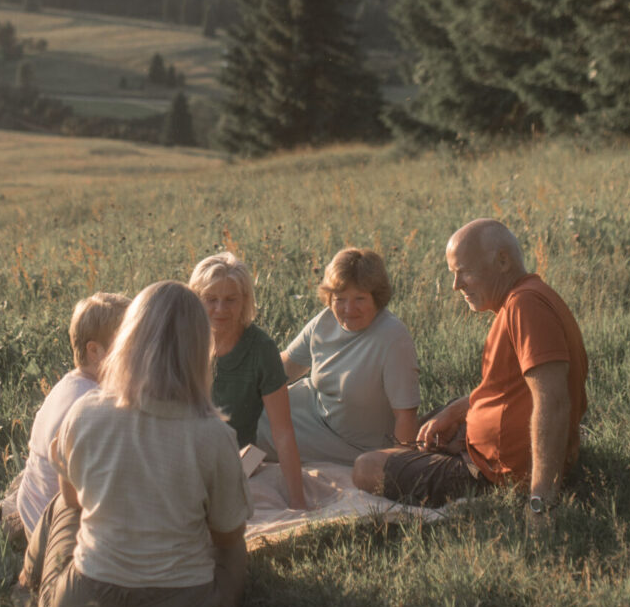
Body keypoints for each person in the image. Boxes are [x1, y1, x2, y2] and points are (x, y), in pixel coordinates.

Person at [20, 281, 252, 607]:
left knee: (61, 505)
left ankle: (27, 584)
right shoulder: (215, 436)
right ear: (200, 350)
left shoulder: (85, 412)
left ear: (128, 339)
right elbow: (227, 535)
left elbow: (74, 500)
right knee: (235, 548)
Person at [352, 219, 588, 515]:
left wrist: (541, 502)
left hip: (494, 472)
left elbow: (553, 402)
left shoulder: (525, 306)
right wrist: (457, 413)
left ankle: (466, 482)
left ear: (503, 261)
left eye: (463, 272)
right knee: (427, 425)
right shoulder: (527, 296)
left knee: (365, 467)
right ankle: (448, 445)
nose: (456, 285)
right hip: (492, 453)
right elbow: (510, 390)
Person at [257, 247, 420, 466]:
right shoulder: (324, 321)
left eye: (359, 299)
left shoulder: (393, 338)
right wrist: (239, 386)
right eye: (340, 299)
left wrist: (399, 468)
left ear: (377, 298)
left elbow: (406, 416)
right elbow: (287, 365)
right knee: (236, 413)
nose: (349, 309)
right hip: (307, 408)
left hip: (347, 443)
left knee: (248, 429)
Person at [189, 251, 308, 509]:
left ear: (245, 300)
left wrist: (298, 501)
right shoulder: (184, 339)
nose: (220, 309)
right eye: (211, 299)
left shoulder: (261, 349)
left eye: (230, 300)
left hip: (242, 457)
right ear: (196, 299)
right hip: (188, 452)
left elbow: (283, 432)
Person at [12, 291, 130, 538]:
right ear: (94, 351)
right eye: (127, 344)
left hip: (31, 508)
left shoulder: (69, 384)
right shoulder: (91, 405)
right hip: (54, 531)